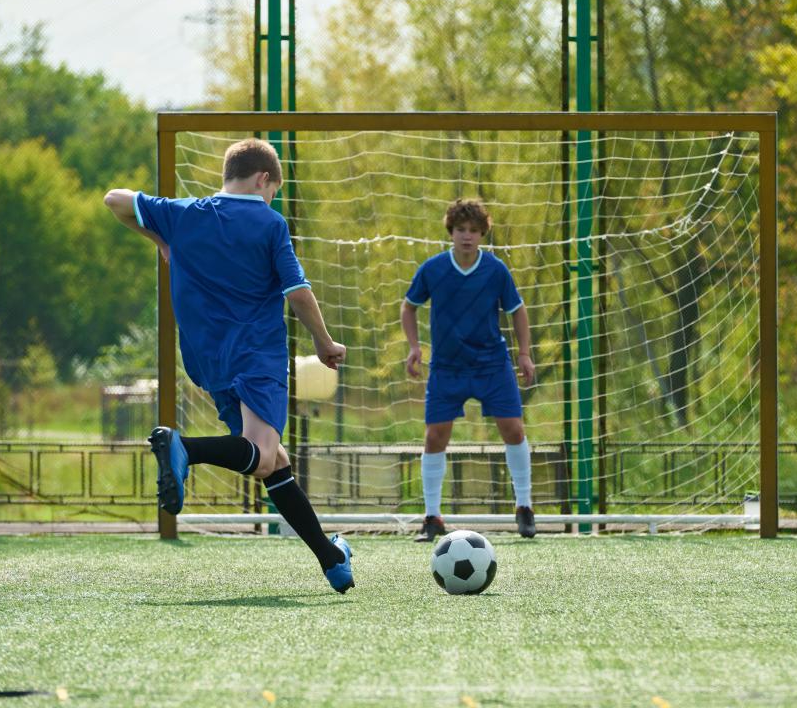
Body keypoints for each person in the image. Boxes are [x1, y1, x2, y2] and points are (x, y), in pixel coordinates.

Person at [103, 138, 354, 593]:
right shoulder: (269, 222)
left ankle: (331, 558)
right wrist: (323, 342)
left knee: (274, 460)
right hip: (257, 354)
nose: (272, 197)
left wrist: (163, 238)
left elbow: (115, 200)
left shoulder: (185, 213)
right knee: (259, 457)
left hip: (205, 358)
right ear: (263, 180)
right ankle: (186, 449)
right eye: (273, 190)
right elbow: (296, 291)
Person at [401, 198, 538, 542]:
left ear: (482, 235)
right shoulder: (433, 269)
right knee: (435, 436)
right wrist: (415, 347)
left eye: (474, 231)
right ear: (451, 231)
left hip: (492, 364)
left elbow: (518, 311)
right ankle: (432, 517)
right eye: (461, 230)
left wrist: (524, 353)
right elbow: (409, 307)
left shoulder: (495, 270)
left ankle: (524, 507)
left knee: (514, 429)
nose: (467, 236)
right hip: (447, 368)